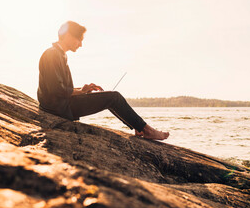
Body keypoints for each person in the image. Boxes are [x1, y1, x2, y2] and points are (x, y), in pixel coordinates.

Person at [37, 21, 169, 140]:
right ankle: (146, 130)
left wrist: (82, 90)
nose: (81, 44)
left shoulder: (59, 54)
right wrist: (80, 92)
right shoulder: (52, 54)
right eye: (79, 39)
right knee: (114, 97)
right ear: (68, 36)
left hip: (59, 105)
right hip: (58, 108)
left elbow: (59, 87)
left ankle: (138, 127)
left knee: (112, 98)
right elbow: (56, 90)